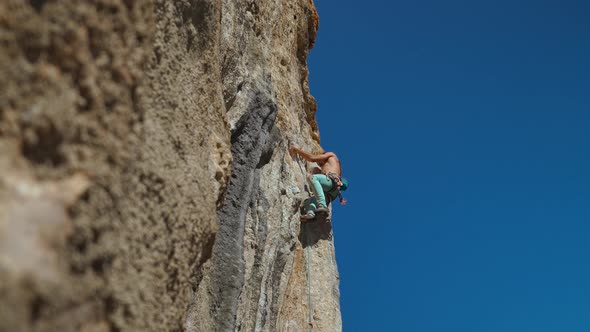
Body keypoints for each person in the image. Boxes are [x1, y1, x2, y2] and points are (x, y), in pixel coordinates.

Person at [289, 146, 349, 221]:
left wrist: (297, 150)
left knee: (313, 178)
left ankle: (322, 205)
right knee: (308, 202)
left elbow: (312, 158)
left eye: (319, 161)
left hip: (331, 183)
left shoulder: (331, 155)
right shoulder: (334, 166)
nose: (319, 164)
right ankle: (310, 214)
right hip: (331, 193)